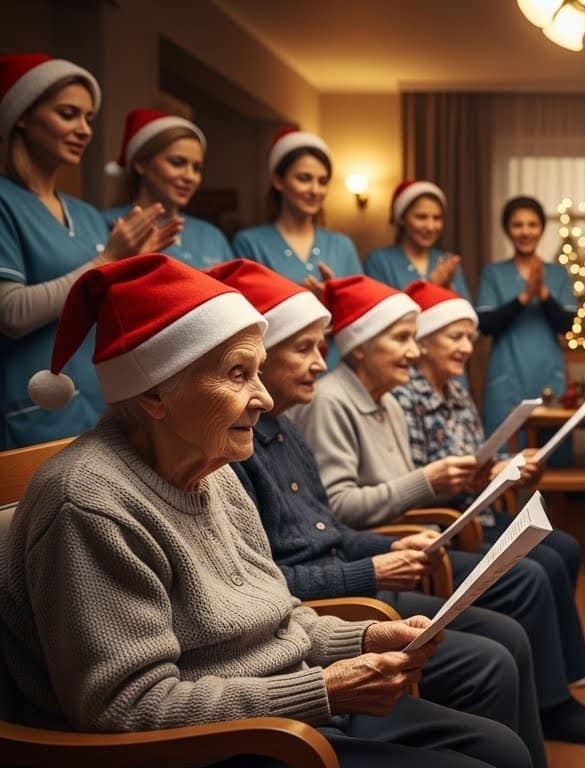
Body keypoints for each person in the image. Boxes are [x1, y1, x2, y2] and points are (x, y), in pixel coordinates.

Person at [0, 254, 531, 767]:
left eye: (259, 372)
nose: (266, 399)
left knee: (501, 749)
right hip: (225, 744)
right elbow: (127, 706)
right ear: (155, 394)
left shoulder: (215, 469)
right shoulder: (88, 503)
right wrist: (322, 690)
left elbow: (277, 613)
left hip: (289, 709)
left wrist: (362, 638)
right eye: (237, 374)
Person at [212, 259, 548, 767]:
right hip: (327, 624)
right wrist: (373, 568)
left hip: (322, 623)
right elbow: (269, 591)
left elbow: (323, 531)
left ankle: (553, 706)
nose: (320, 365)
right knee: (498, 648)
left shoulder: (281, 429)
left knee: (512, 629)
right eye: (303, 349)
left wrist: (390, 548)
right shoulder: (227, 453)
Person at [292, 273, 585, 744]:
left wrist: (494, 470)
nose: (414, 351)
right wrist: (435, 484)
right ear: (360, 345)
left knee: (555, 550)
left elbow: (428, 478)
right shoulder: (335, 401)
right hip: (403, 541)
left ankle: (553, 693)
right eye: (404, 339)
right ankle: (550, 703)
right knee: (531, 575)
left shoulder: (390, 401)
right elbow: (347, 506)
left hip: (420, 532)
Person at [393, 280, 585, 686]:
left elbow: (474, 461)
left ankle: (563, 674)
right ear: (424, 342)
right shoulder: (403, 397)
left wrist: (511, 466)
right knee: (542, 565)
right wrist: (489, 474)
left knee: (566, 548)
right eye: (455, 338)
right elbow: (418, 475)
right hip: (447, 524)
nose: (467, 348)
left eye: (469, 337)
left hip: (473, 511)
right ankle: (550, 692)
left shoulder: (458, 391)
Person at [0, 53, 179, 448]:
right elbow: (10, 313)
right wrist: (106, 261)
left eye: (88, 119)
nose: (84, 130)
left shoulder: (84, 214)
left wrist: (134, 265)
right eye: (68, 114)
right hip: (33, 410)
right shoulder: (5, 203)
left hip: (98, 404)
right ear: (23, 117)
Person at [232, 127, 361, 369]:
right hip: (275, 372)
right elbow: (243, 320)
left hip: (334, 370)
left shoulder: (342, 245)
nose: (315, 190)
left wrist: (334, 304)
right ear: (278, 181)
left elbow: (361, 318)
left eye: (322, 181)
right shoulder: (250, 243)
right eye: (304, 178)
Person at [476, 196, 577, 440]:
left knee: (550, 456)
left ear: (541, 229)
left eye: (532, 224)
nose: (525, 231)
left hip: (547, 374)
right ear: (507, 230)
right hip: (506, 376)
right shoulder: (493, 273)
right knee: (504, 459)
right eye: (517, 225)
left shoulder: (558, 274)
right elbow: (486, 325)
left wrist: (542, 293)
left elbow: (567, 325)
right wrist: (524, 297)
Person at [102, 108, 232, 268]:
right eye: (177, 162)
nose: (190, 176)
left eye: (197, 168)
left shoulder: (211, 237)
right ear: (141, 164)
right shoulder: (107, 226)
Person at [364, 179, 470, 297]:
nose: (430, 227)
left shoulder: (448, 262)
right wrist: (431, 286)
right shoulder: (379, 261)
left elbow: (467, 312)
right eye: (421, 217)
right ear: (402, 219)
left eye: (437, 218)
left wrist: (449, 290)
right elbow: (383, 312)